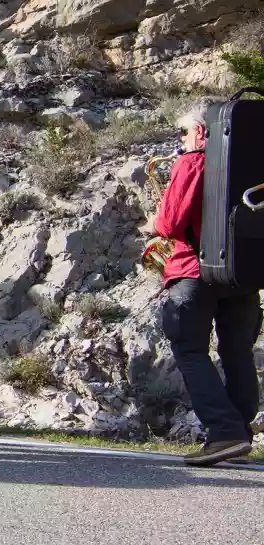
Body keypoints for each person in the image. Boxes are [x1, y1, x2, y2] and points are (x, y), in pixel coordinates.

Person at [155, 99, 260, 466]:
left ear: (200, 132)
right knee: (238, 353)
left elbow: (168, 225)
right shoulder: (251, 163)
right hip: (243, 274)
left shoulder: (193, 161)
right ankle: (240, 433)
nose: (180, 140)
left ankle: (225, 432)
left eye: (182, 132)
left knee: (190, 351)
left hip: (194, 273)